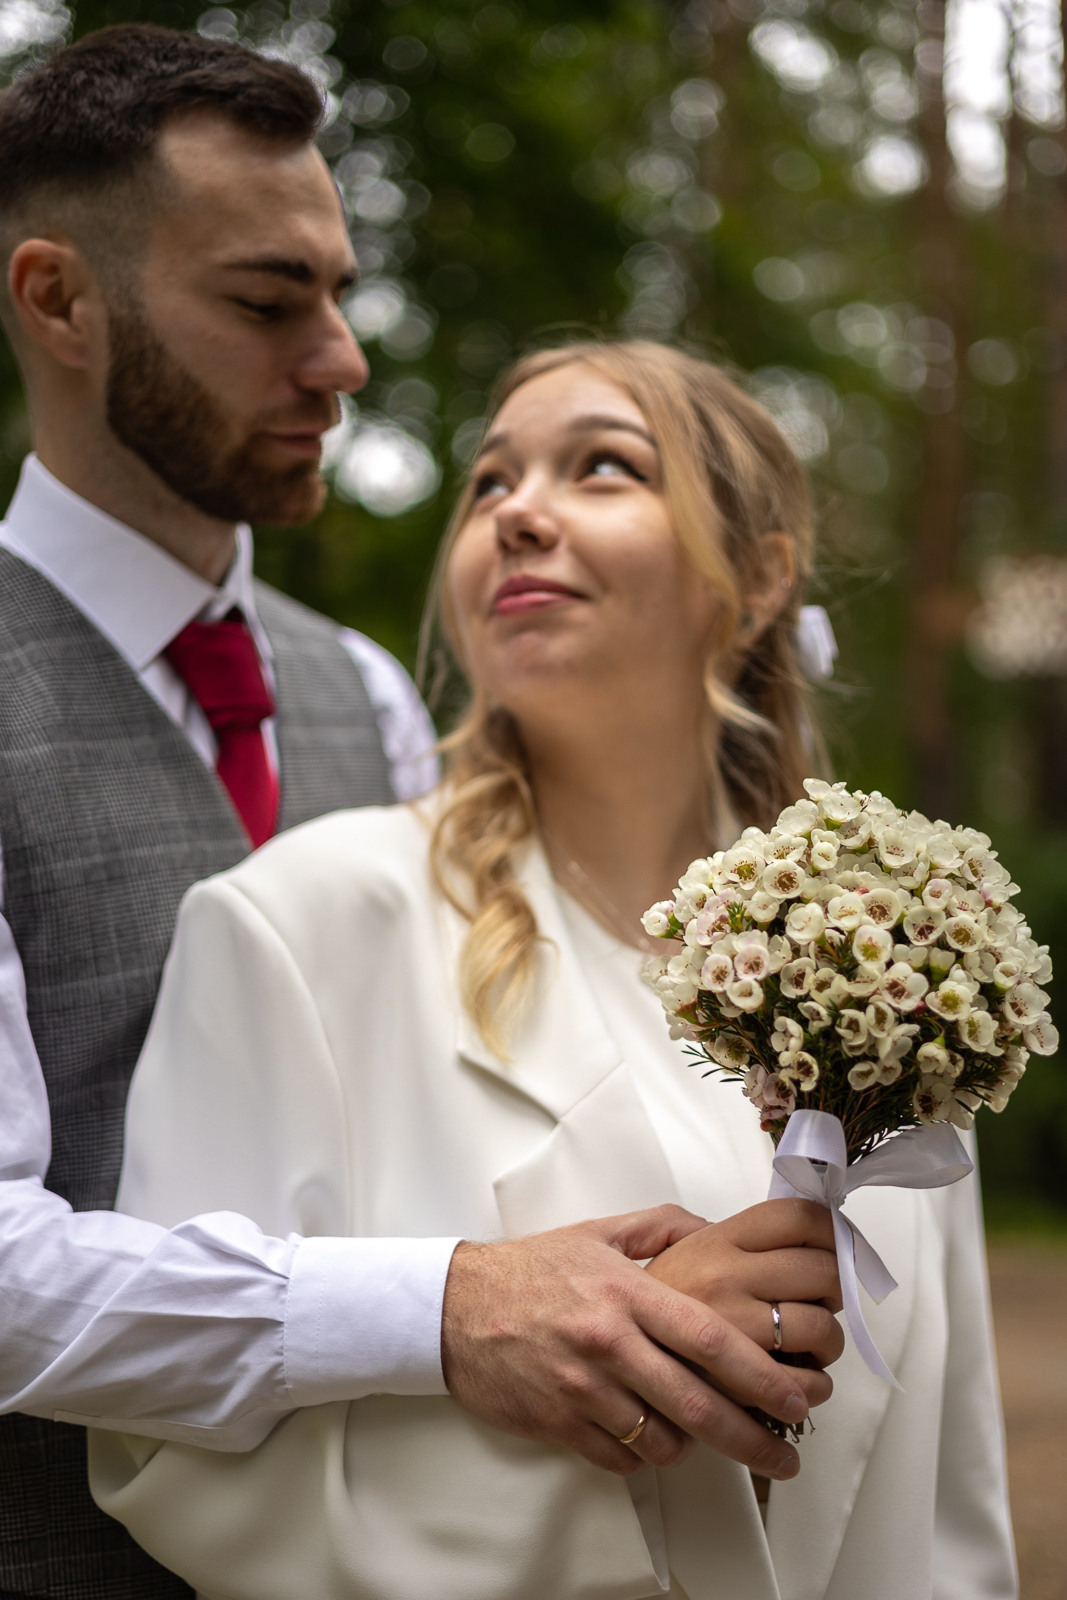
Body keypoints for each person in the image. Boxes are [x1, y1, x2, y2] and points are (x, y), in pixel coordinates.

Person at [0, 31, 830, 1600]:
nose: (342, 360)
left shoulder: (369, 694)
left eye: (337, 290)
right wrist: (444, 1308)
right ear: (60, 300)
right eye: (266, 302)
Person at [91, 341, 1016, 1600]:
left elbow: (945, 1512)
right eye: (487, 484)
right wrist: (642, 1432)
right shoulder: (301, 923)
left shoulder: (887, 980)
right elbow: (168, 1453)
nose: (518, 511)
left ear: (752, 580)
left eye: (602, 468)